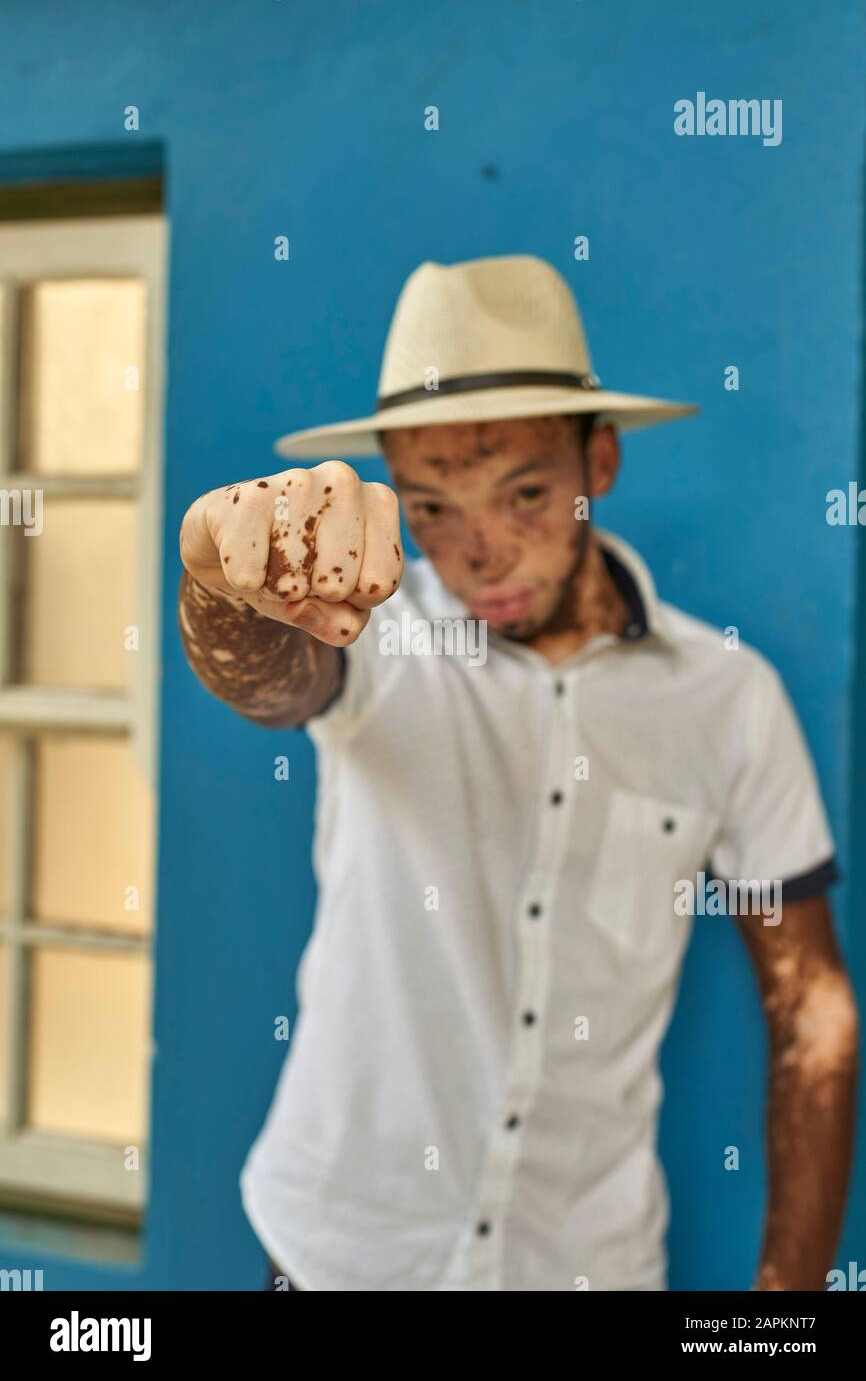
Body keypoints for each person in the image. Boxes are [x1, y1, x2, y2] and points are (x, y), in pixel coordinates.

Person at [178, 255, 858, 1292]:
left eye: (523, 491)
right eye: (432, 508)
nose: (480, 551)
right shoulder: (372, 640)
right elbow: (268, 679)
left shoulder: (728, 699)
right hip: (343, 1254)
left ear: (601, 460)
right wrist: (219, 583)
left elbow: (810, 1009)